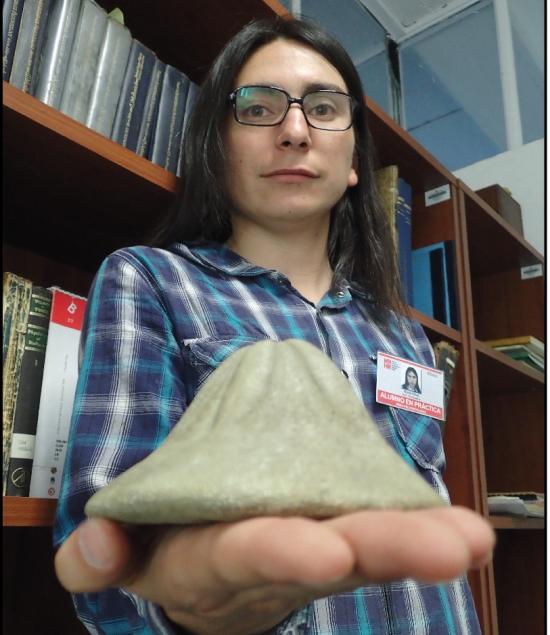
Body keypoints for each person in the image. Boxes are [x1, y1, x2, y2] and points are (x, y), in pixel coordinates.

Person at [53, 16, 494, 635]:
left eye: (323, 107)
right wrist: (194, 610)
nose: (293, 130)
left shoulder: (404, 333)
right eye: (258, 108)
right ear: (217, 148)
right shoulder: (149, 282)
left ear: (353, 163)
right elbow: (106, 541)